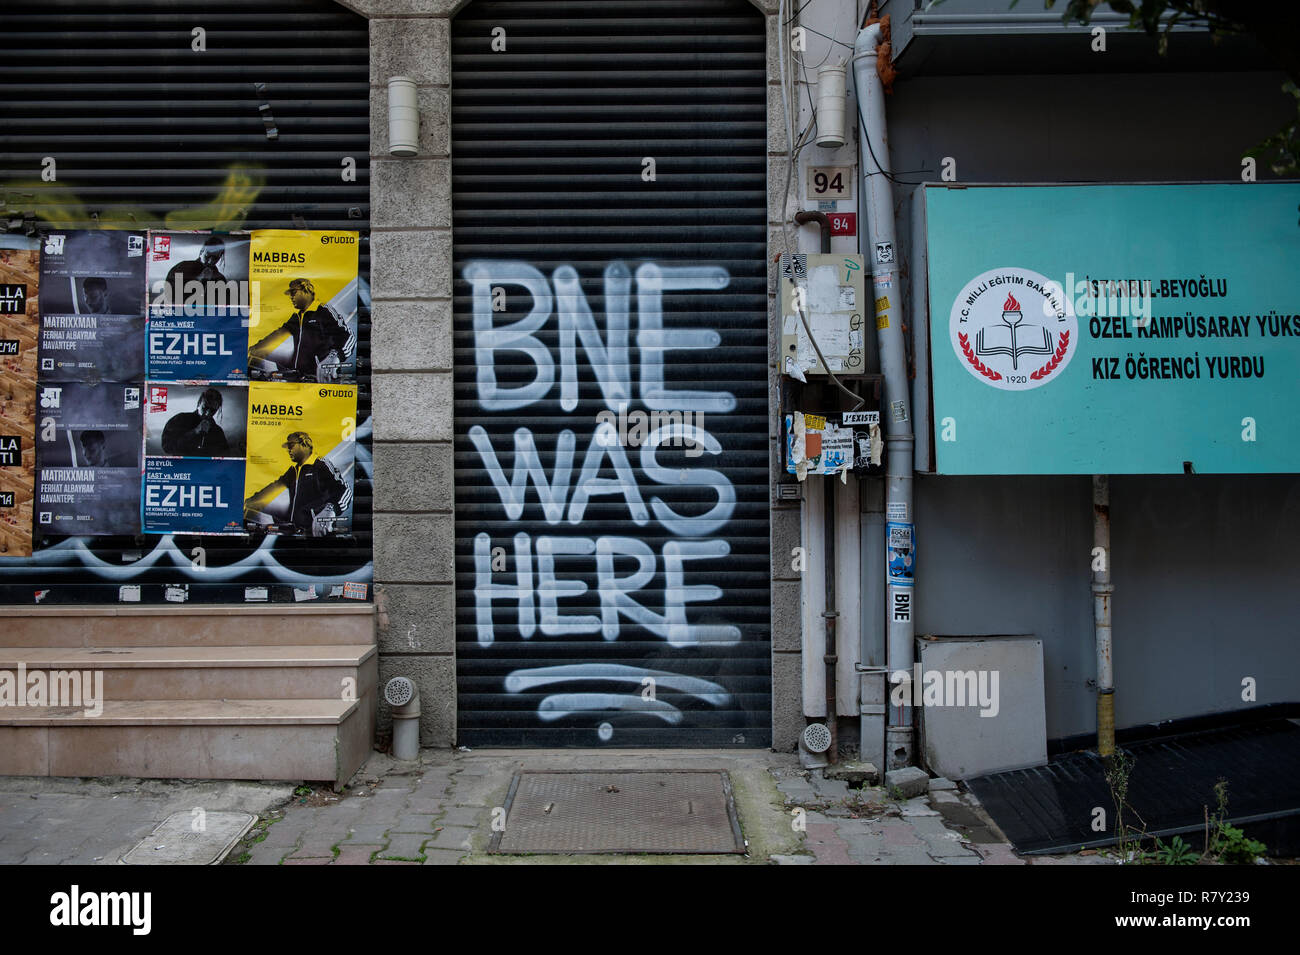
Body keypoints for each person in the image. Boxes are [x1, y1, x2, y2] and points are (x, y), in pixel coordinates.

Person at [243, 431, 348, 537]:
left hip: (317, 533)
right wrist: (249, 502)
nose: (288, 450)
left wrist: (330, 510)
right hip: (296, 531)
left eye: (291, 446)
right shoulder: (293, 471)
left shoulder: (320, 465)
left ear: (304, 444)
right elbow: (273, 488)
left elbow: (345, 490)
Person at [247, 278, 350, 382]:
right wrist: (255, 349)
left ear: (306, 290)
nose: (291, 297)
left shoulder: (323, 311)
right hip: (299, 377)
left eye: (293, 293)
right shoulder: (297, 317)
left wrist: (334, 357)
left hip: (322, 378)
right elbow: (277, 335)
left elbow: (348, 335)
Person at [160, 387, 231, 457]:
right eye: (205, 407)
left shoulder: (218, 432)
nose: (208, 413)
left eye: (213, 410)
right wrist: (194, 432)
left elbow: (224, 455)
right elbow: (167, 447)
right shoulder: (180, 419)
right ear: (199, 403)